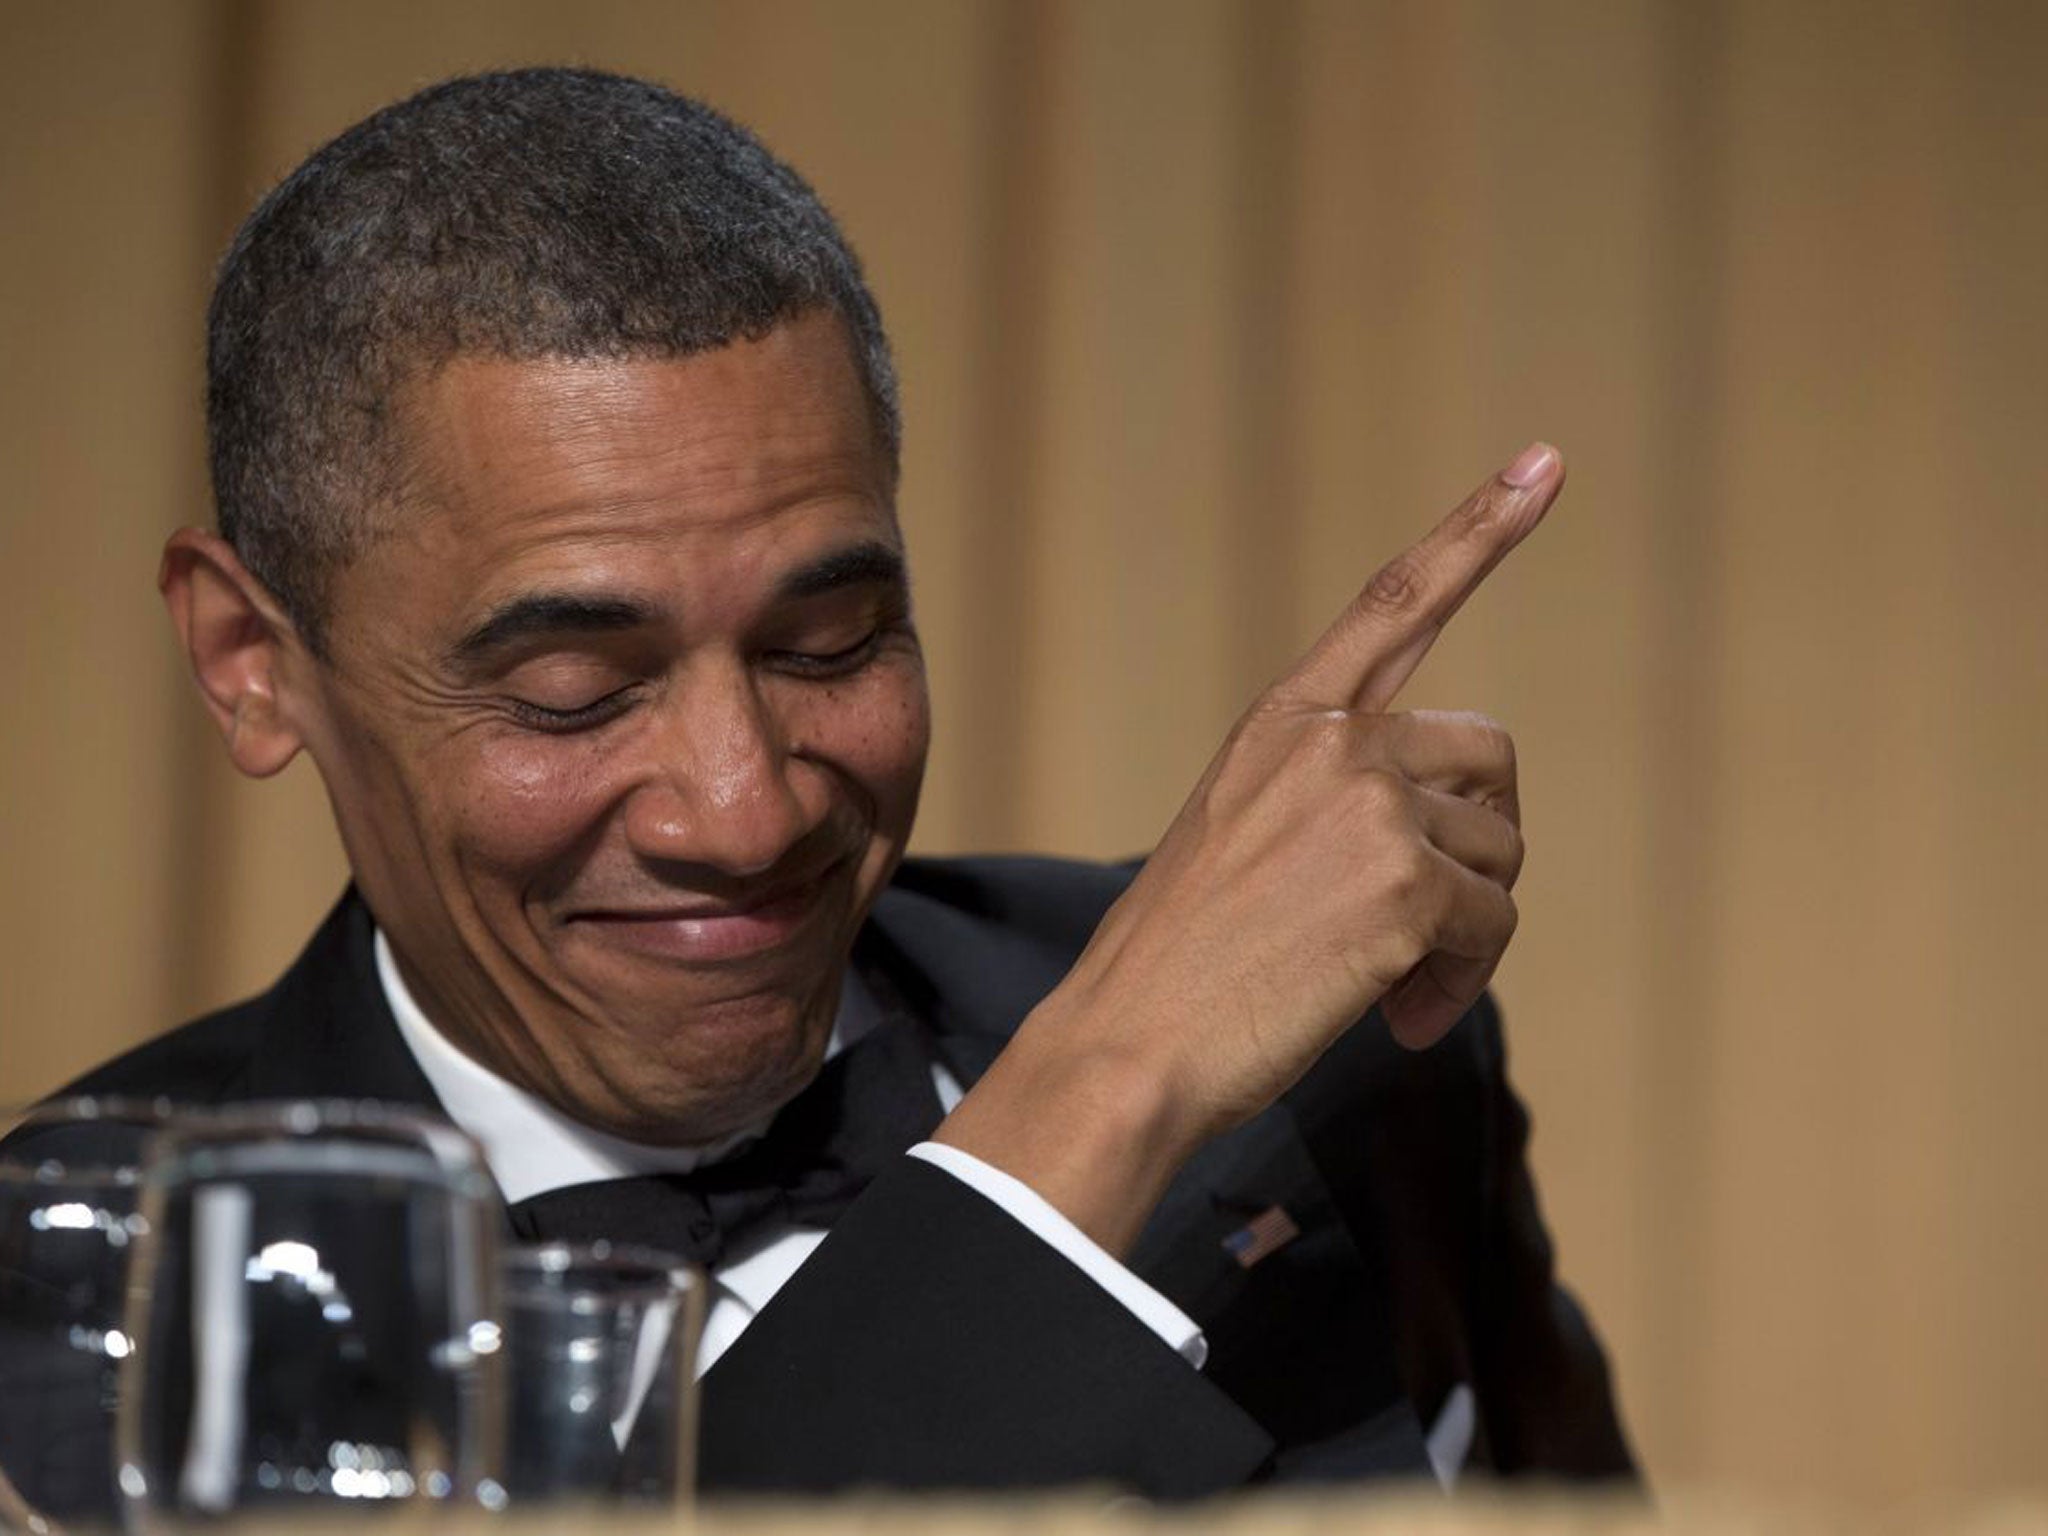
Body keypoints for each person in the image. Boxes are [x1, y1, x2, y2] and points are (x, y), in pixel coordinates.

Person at [10, 66, 1632, 1499]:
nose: (748, 812)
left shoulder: (1323, 1071)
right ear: (250, 658)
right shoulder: (76, 1283)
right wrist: (1091, 1105)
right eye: (576, 690)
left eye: (831, 644)